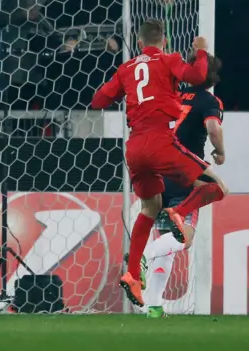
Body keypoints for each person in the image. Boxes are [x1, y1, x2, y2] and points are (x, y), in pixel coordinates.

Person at [91, 19, 228, 307]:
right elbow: (197, 72)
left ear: (140, 43)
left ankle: (132, 274)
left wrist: (122, 84)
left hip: (134, 148)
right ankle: (179, 213)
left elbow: (99, 101)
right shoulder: (169, 60)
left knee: (149, 208)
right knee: (218, 188)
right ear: (163, 41)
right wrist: (201, 50)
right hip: (162, 145)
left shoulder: (126, 68)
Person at [138, 52, 224, 318]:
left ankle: (153, 305)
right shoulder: (210, 100)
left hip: (157, 169)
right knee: (184, 238)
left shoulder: (171, 94)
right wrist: (220, 152)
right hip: (186, 172)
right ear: (212, 77)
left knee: (168, 241)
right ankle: (141, 257)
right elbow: (212, 128)